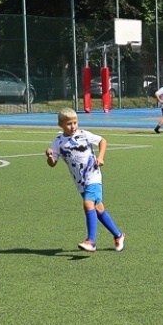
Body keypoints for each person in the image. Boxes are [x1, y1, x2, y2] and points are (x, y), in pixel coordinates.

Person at [47, 108, 125, 253]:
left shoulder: (84, 135)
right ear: (60, 125)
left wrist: (100, 157)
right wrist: (50, 156)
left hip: (93, 175)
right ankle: (118, 235)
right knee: (98, 208)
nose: (73, 126)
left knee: (88, 204)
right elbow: (52, 164)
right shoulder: (57, 142)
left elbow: (102, 140)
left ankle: (91, 241)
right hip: (80, 182)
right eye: (69, 124)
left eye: (75, 122)